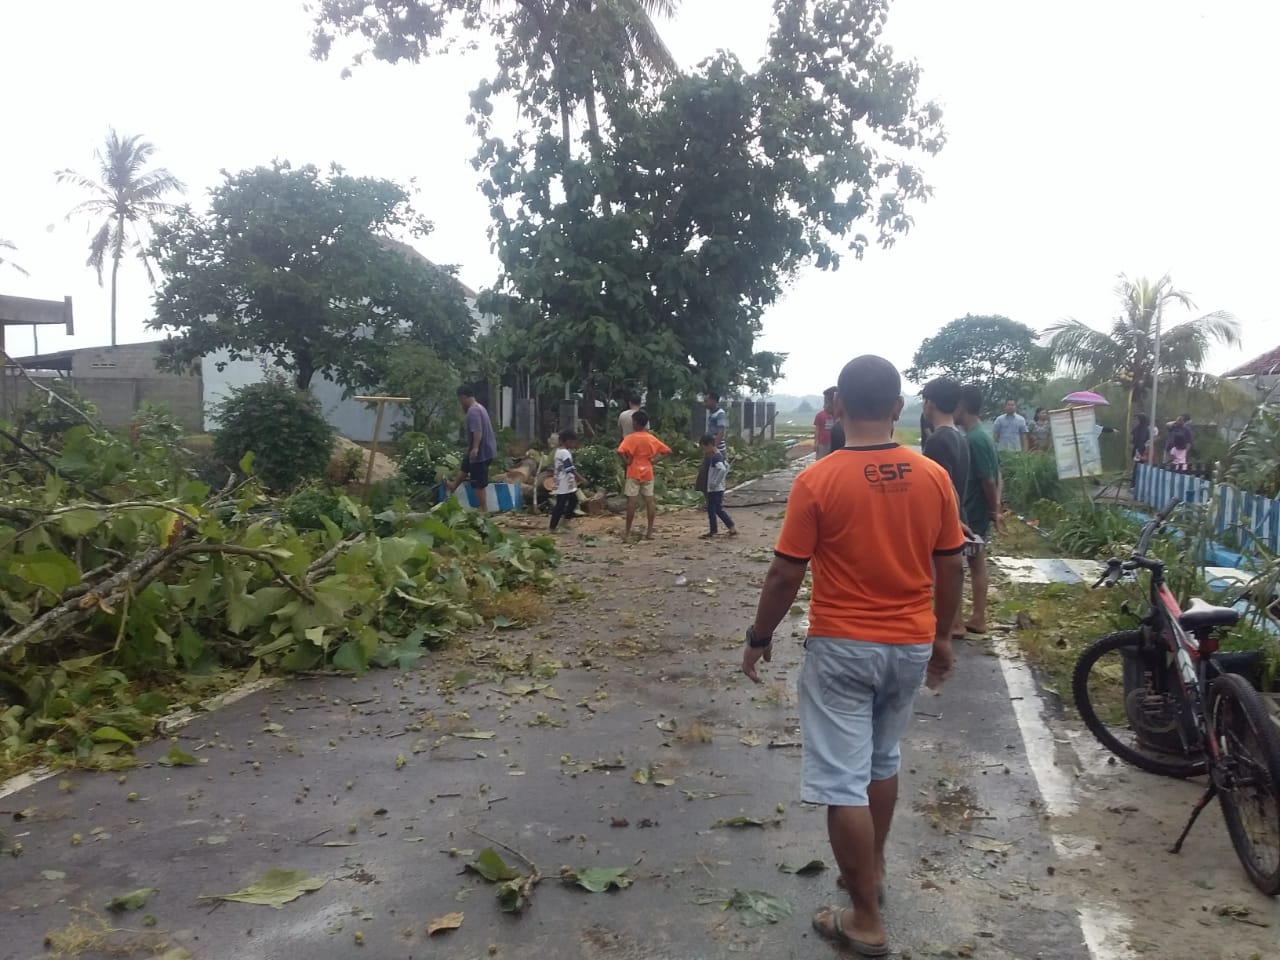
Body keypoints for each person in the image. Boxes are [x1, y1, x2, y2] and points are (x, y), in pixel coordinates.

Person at [740, 355, 964, 958]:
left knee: (844, 781)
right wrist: (943, 637)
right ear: (897, 409)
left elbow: (787, 573)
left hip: (843, 645)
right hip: (910, 644)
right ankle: (873, 870)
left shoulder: (818, 480)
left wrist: (759, 637)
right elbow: (950, 563)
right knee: (882, 762)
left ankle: (864, 917)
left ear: (837, 407)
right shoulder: (932, 476)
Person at [955, 385, 1001, 636]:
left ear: (961, 406)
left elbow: (988, 479)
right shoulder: (979, 436)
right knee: (975, 562)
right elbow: (997, 475)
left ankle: (973, 618)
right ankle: (973, 617)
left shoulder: (976, 439)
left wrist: (994, 511)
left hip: (974, 514)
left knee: (964, 565)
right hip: (976, 512)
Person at [616, 410, 670, 541]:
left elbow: (620, 451)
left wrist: (627, 461)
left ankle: (627, 532)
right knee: (649, 501)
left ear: (635, 423)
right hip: (647, 470)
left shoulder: (630, 438)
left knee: (632, 501)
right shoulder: (651, 438)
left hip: (633, 469)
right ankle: (650, 532)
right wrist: (654, 461)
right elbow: (667, 451)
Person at [920, 377, 969, 502]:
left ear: (930, 403)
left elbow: (943, 488)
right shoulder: (959, 437)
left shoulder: (937, 441)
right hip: (960, 514)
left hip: (947, 517)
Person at [451, 385, 498, 513]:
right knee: (465, 466)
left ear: (463, 397)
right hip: (484, 449)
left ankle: (484, 509)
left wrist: (475, 448)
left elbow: (477, 430)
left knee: (478, 482)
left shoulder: (473, 411)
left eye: (460, 400)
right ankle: (452, 487)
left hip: (481, 452)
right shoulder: (480, 407)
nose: (460, 403)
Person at [698, 433, 737, 540]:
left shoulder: (715, 457)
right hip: (718, 488)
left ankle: (719, 529)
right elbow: (727, 466)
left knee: (714, 509)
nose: (704, 450)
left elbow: (722, 469)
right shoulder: (719, 455)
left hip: (714, 489)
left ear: (710, 445)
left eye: (704, 448)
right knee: (716, 509)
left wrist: (715, 482)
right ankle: (726, 527)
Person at [549, 429, 579, 532]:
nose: (573, 444)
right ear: (564, 441)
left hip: (563, 483)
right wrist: (581, 478)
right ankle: (553, 527)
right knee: (560, 505)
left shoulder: (558, 451)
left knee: (573, 501)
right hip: (564, 483)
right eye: (571, 442)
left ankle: (564, 521)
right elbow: (569, 468)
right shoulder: (565, 453)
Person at [814, 387, 838, 459]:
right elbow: (817, 429)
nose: (824, 406)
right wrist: (816, 442)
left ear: (835, 401)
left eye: (826, 402)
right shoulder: (819, 415)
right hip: (823, 443)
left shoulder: (843, 424)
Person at [704, 392, 729, 456]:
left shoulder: (720, 414)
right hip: (711, 446)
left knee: (719, 465)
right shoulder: (712, 413)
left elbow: (721, 432)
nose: (705, 404)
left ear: (713, 400)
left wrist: (714, 447)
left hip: (718, 449)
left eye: (706, 401)